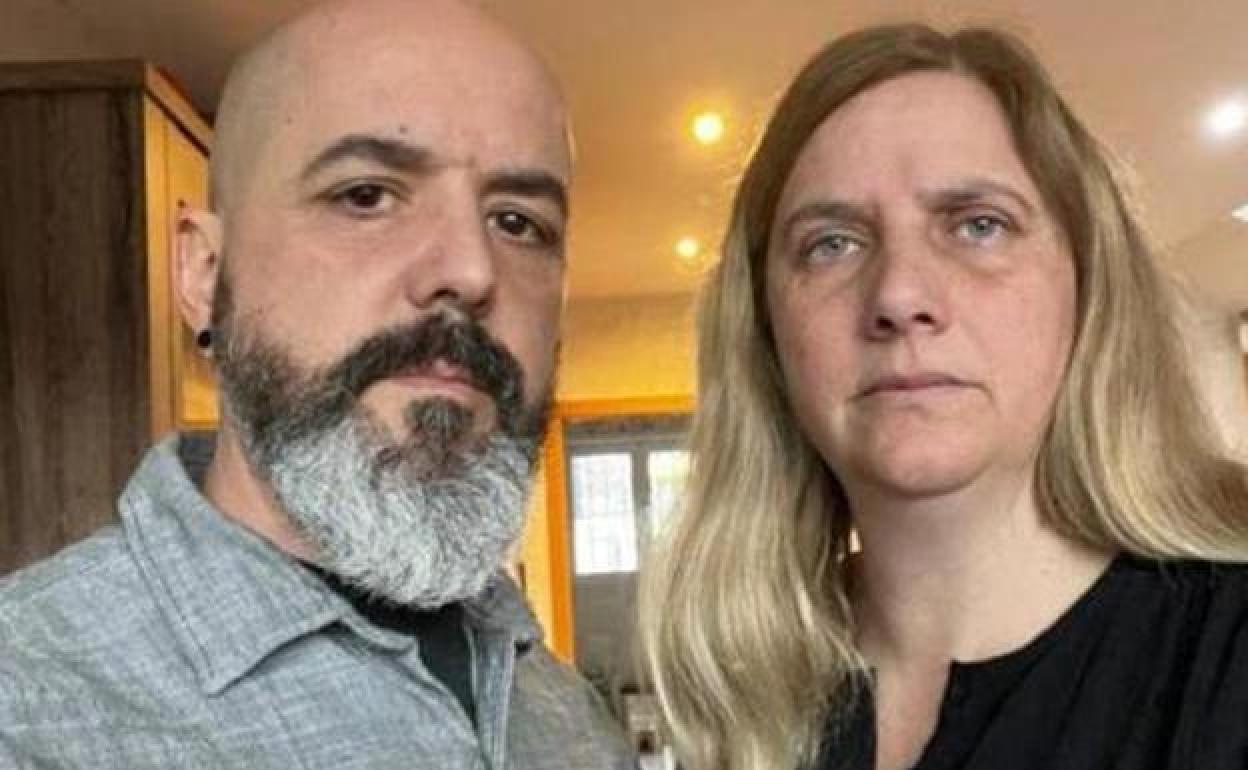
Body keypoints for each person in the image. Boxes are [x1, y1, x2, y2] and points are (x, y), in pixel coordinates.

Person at [0, 1, 634, 768]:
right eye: (366, 196)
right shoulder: (29, 707)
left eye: (517, 222)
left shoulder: (569, 713)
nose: (471, 271)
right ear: (205, 273)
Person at [639, 23, 1248, 770]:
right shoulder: (748, 692)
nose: (900, 295)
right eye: (832, 243)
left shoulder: (1224, 653)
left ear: (1088, 285)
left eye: (979, 226)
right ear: (765, 327)